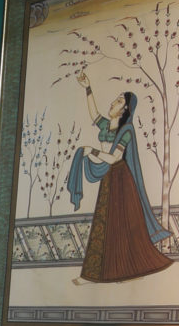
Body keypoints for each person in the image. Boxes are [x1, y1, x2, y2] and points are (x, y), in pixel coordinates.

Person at [65, 73, 172, 282]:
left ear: (126, 110)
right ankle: (104, 273)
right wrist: (88, 88)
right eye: (116, 99)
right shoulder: (106, 125)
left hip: (121, 180)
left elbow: (114, 158)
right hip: (109, 178)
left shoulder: (127, 131)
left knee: (117, 225)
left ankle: (111, 273)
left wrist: (92, 151)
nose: (114, 102)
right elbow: (94, 114)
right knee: (105, 224)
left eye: (120, 101)